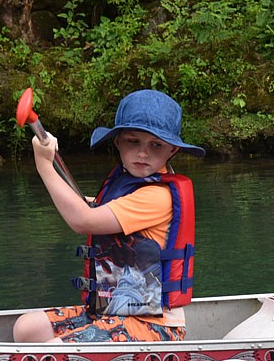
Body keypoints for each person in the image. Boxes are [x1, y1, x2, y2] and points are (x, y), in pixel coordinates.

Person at [13, 89, 205, 343]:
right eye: (132, 141)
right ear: (118, 142)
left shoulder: (157, 197)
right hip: (110, 311)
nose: (143, 153)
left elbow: (83, 220)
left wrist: (44, 165)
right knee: (27, 328)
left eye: (155, 145)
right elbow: (87, 207)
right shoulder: (127, 185)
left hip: (152, 325)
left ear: (172, 151)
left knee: (52, 353)